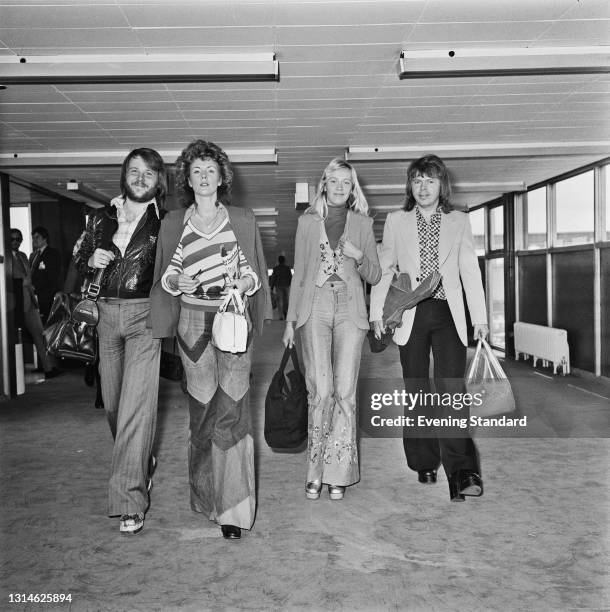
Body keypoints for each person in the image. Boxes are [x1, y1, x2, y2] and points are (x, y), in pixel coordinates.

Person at [150, 139, 271, 540]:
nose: (204, 178)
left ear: (222, 178)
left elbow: (255, 273)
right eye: (196, 171)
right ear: (187, 177)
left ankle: (234, 510)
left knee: (233, 410)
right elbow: (164, 275)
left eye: (211, 171)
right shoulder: (173, 222)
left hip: (233, 321)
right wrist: (176, 280)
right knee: (202, 414)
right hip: (191, 324)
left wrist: (244, 281)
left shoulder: (240, 218)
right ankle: (207, 498)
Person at [370, 154, 489, 502]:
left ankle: (461, 472)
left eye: (430, 180)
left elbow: (469, 270)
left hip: (449, 314)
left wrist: (480, 318)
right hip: (412, 314)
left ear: (442, 185)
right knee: (417, 390)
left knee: (453, 391)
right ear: (410, 185)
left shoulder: (459, 221)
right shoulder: (395, 221)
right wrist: (377, 311)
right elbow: (386, 268)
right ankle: (424, 461)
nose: (423, 187)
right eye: (417, 180)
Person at [73, 147, 168, 535]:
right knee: (113, 404)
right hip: (105, 317)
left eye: (149, 172)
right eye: (134, 171)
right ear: (124, 176)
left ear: (158, 180)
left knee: (135, 407)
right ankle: (141, 460)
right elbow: (80, 259)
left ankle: (130, 500)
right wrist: (89, 260)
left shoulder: (166, 221)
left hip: (146, 314)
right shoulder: (100, 217)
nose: (141, 177)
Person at [282, 158, 381, 501]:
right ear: (323, 183)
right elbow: (300, 274)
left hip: (350, 310)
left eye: (347, 183)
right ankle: (315, 472)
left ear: (353, 189)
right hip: (315, 306)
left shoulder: (364, 224)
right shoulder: (307, 222)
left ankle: (338, 472)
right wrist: (291, 321)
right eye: (334, 181)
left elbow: (375, 275)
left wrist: (358, 255)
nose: (340, 188)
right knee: (320, 391)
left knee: (344, 391)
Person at [9, 228, 61, 379]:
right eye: (12, 239)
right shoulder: (6, 257)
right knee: (15, 338)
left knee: (40, 334)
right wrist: (22, 283)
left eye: (18, 239)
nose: (15, 242)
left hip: (31, 301)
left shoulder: (24, 256)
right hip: (15, 304)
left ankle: (49, 368)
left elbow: (33, 276)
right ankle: (12, 375)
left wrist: (30, 286)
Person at [29, 226, 62, 324]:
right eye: (33, 238)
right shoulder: (33, 255)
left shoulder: (53, 253)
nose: (34, 240)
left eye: (37, 237)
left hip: (47, 295)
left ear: (45, 238)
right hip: (34, 296)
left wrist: (35, 286)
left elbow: (52, 276)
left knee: (47, 323)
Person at [270, 255, 292, 319]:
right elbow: (290, 277)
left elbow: (273, 278)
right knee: (286, 300)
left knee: (279, 301)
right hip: (286, 286)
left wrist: (272, 287)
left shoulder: (276, 268)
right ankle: (285, 311)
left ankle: (281, 316)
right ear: (284, 261)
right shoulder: (287, 268)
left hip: (278, 286)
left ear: (278, 261)